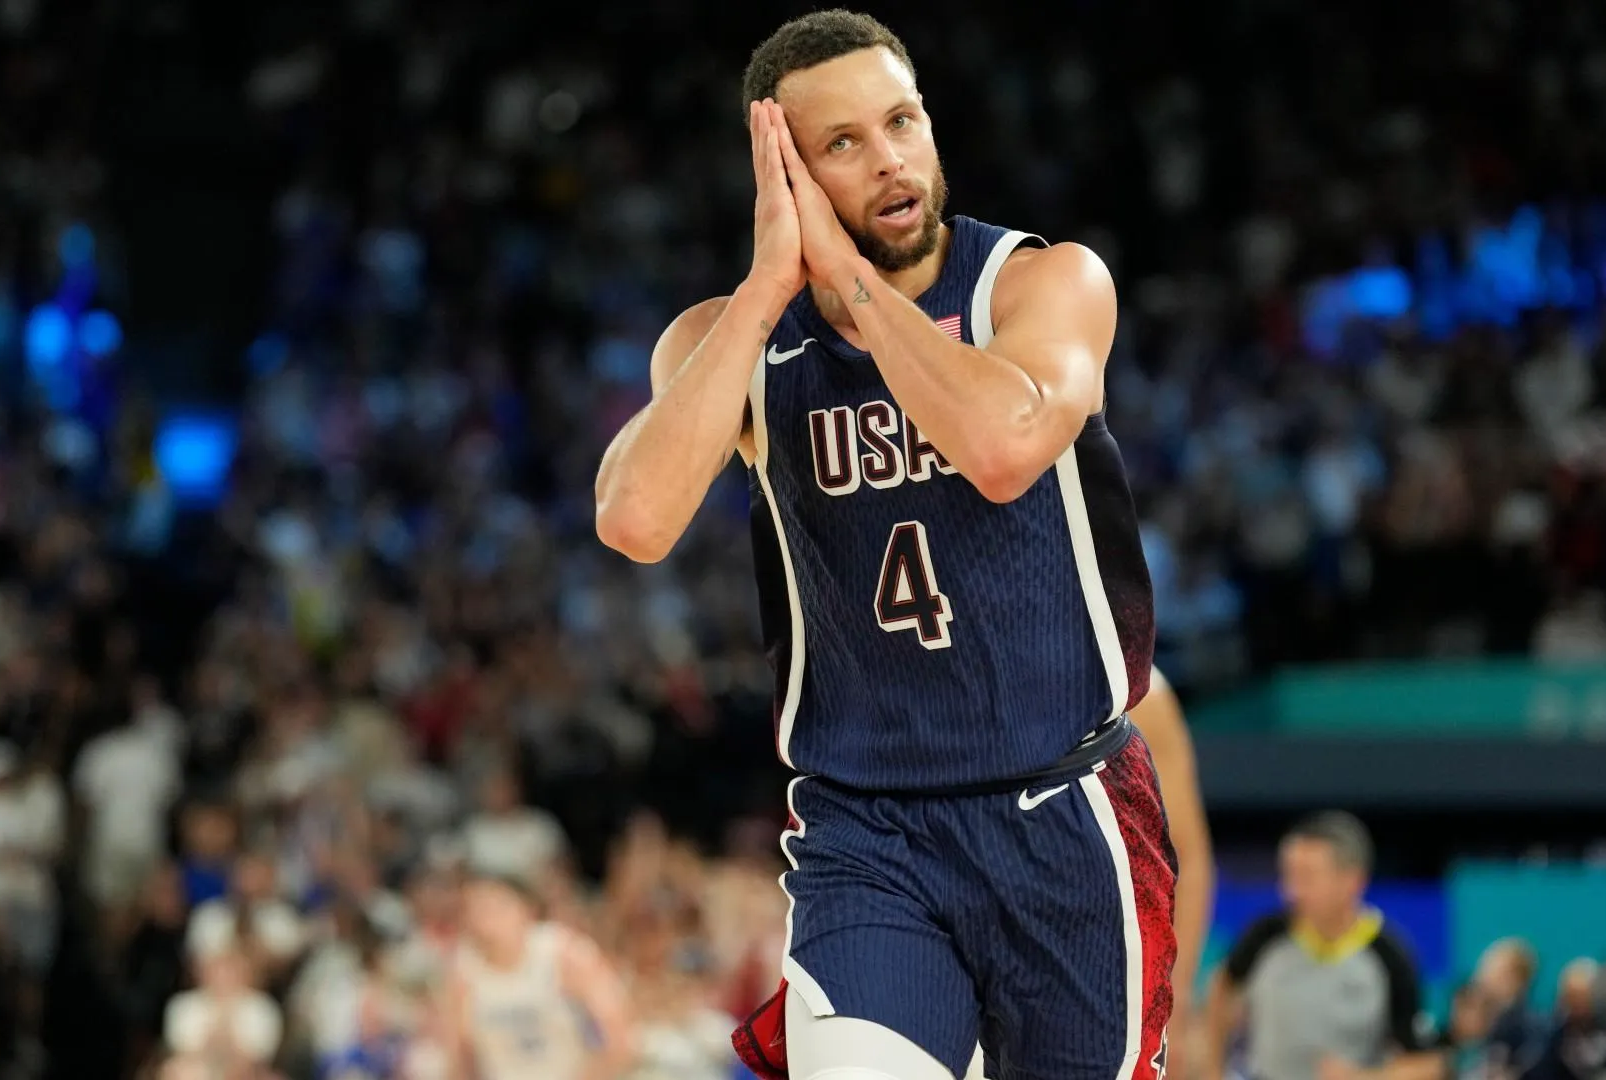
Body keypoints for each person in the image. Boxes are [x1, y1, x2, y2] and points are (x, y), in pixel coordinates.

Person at [595, 9, 1171, 1078]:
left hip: (1063, 816)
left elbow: (1002, 447)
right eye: (844, 144)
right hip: (869, 833)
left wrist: (853, 289)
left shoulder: (1040, 285)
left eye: (902, 121)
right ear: (787, 176)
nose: (892, 159)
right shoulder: (734, 342)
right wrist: (773, 286)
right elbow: (634, 519)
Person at [964, 665, 1212, 1079]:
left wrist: (1176, 1002)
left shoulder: (1133, 686)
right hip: (950, 940)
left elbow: (1184, 853)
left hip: (1078, 956)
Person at [1201, 812, 1438, 1080]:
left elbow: (1427, 1062)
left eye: (1307, 877)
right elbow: (1222, 986)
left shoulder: (1389, 954)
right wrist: (1213, 1069)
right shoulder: (1265, 937)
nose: (1291, 892)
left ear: (1352, 881)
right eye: (1289, 875)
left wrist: (1364, 1077)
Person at [443, 870, 636, 1080]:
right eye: (476, 910)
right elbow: (460, 1057)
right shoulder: (465, 968)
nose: (486, 920)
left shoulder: (564, 953)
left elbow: (620, 1038)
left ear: (527, 909)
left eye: (495, 907)